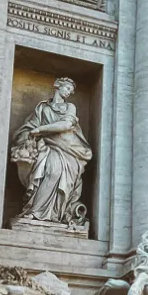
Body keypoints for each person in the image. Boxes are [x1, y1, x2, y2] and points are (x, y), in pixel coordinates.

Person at [11, 78, 92, 227]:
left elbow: (67, 124)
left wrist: (40, 130)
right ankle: (35, 211)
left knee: (55, 172)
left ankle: (52, 214)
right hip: (46, 145)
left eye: (71, 91)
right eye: (67, 88)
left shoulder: (70, 107)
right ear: (58, 87)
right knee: (45, 168)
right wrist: (29, 134)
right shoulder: (42, 108)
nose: (68, 92)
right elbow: (31, 126)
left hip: (68, 148)